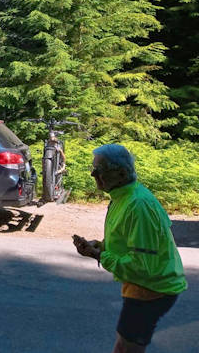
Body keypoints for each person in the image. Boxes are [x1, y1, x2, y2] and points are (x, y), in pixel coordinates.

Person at [73, 144, 186, 353]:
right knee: (124, 345)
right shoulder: (123, 196)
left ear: (121, 173)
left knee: (127, 348)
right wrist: (101, 246)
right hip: (145, 284)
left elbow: (141, 264)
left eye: (100, 170)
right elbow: (129, 241)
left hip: (151, 288)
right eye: (93, 168)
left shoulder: (138, 205)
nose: (92, 174)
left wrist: (99, 255)